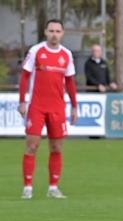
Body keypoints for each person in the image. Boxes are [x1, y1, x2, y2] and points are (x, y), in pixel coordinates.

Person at [18, 19, 78, 199]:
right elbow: (25, 77)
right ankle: (27, 188)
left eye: (58, 31)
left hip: (58, 107)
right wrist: (22, 101)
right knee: (32, 145)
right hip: (37, 106)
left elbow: (70, 81)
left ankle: (53, 188)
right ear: (45, 32)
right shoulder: (36, 51)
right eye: (51, 30)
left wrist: (74, 106)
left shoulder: (66, 54)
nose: (54, 34)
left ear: (62, 33)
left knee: (57, 148)